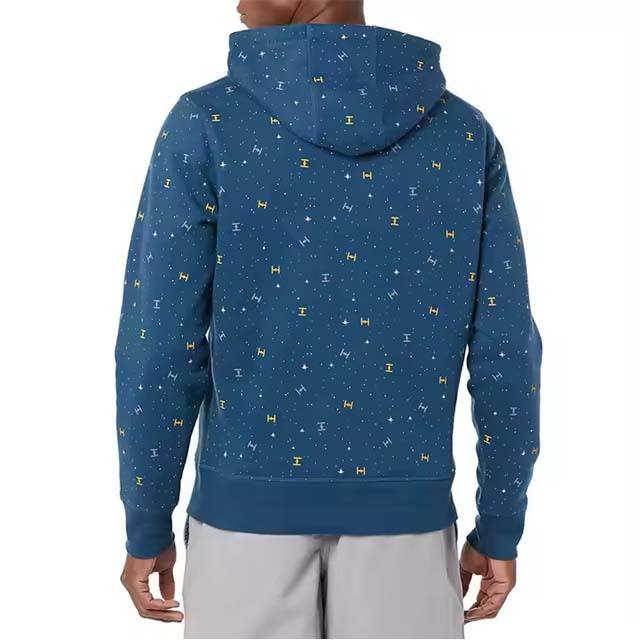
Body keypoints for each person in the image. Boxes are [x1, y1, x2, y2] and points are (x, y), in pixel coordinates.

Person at [115, 0, 543, 637]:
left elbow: (159, 344)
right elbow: (506, 353)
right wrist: (501, 524)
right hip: (409, 528)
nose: (235, 2)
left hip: (242, 527)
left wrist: (148, 519)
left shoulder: (207, 122)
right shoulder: (463, 135)